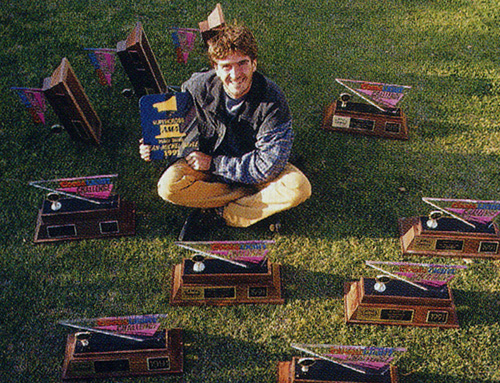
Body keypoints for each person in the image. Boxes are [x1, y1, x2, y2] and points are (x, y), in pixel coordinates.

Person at [139, 22, 311, 240]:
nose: (236, 74)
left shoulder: (273, 100)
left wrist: (214, 163)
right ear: (215, 67)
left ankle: (220, 213)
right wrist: (155, 146)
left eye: (242, 63)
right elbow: (177, 131)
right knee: (168, 187)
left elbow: (267, 167)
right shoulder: (195, 88)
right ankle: (254, 201)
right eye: (226, 66)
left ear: (254, 64)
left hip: (246, 166)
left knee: (298, 187)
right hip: (207, 166)